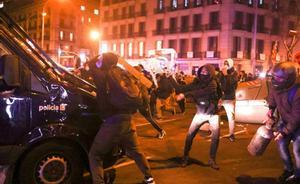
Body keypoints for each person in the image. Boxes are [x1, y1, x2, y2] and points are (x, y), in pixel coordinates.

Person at [88, 53, 155, 184]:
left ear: (104, 61)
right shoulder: (123, 74)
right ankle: (149, 178)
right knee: (136, 152)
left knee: (95, 155)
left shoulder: (103, 76)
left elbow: (91, 64)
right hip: (128, 120)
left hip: (112, 123)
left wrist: (98, 56)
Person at [171, 64, 221, 170]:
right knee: (189, 136)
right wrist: (170, 78)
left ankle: (212, 159)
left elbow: (202, 92)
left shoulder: (213, 83)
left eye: (206, 72)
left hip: (213, 114)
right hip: (200, 113)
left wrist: (185, 95)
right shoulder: (196, 82)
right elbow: (182, 88)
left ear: (211, 73)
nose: (203, 74)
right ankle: (185, 157)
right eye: (201, 71)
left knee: (215, 137)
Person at [266, 61, 300, 184]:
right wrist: (271, 109)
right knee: (281, 145)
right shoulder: (276, 85)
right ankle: (288, 170)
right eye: (274, 76)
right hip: (286, 121)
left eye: (279, 78)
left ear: (289, 79)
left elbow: (296, 118)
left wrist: (284, 132)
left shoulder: (297, 92)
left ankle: (298, 175)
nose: (275, 80)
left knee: (297, 150)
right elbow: (272, 96)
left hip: (298, 124)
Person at [134, 65, 166, 139]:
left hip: (143, 102)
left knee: (149, 118)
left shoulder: (141, 81)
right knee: (128, 118)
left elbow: (144, 92)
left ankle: (161, 131)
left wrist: (146, 102)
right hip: (138, 102)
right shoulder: (136, 80)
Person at [220, 58, 238, 142]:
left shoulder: (234, 73)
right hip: (221, 98)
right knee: (213, 114)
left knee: (231, 117)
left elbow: (230, 84)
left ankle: (231, 134)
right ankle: (213, 131)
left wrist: (226, 75)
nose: (225, 65)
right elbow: (220, 84)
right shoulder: (222, 73)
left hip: (230, 98)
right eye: (224, 63)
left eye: (227, 64)